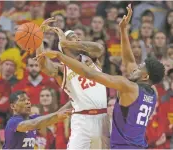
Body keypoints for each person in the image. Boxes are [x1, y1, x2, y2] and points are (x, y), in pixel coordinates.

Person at [37, 5, 165, 149]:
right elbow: (129, 62)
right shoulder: (152, 92)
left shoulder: (124, 83)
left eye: (139, 68)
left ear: (145, 76)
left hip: (117, 138)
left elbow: (90, 72)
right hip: (90, 122)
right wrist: (123, 30)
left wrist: (61, 54)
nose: (135, 68)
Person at [36, 18, 110, 149]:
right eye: (73, 38)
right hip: (81, 119)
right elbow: (43, 65)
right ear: (62, 45)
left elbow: (99, 48)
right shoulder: (61, 68)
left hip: (102, 118)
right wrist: (38, 37)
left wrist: (67, 42)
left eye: (77, 38)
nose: (78, 40)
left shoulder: (92, 58)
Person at [3, 90, 71, 149]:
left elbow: (55, 115)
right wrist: (56, 115)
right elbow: (33, 124)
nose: (27, 102)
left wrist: (74, 101)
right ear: (13, 106)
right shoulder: (13, 122)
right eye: (22, 100)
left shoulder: (34, 118)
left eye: (28, 100)